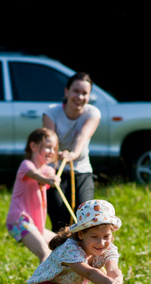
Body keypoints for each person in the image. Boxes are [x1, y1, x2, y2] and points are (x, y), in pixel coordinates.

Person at [43, 72, 101, 232]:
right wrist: (57, 155)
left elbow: (83, 136)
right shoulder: (51, 112)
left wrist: (72, 154)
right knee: (60, 223)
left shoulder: (93, 113)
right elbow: (50, 140)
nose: (80, 97)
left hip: (81, 170)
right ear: (66, 91)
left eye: (85, 93)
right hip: (55, 170)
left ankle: (83, 256)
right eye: (76, 91)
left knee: (85, 219)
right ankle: (60, 256)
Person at [6, 128, 61, 262]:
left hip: (36, 224)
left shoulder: (48, 169)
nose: (52, 152)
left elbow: (51, 174)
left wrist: (55, 178)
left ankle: (59, 282)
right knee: (45, 253)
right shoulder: (26, 166)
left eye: (54, 149)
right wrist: (49, 180)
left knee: (65, 245)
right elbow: (36, 175)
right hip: (18, 221)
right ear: (33, 146)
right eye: (48, 147)